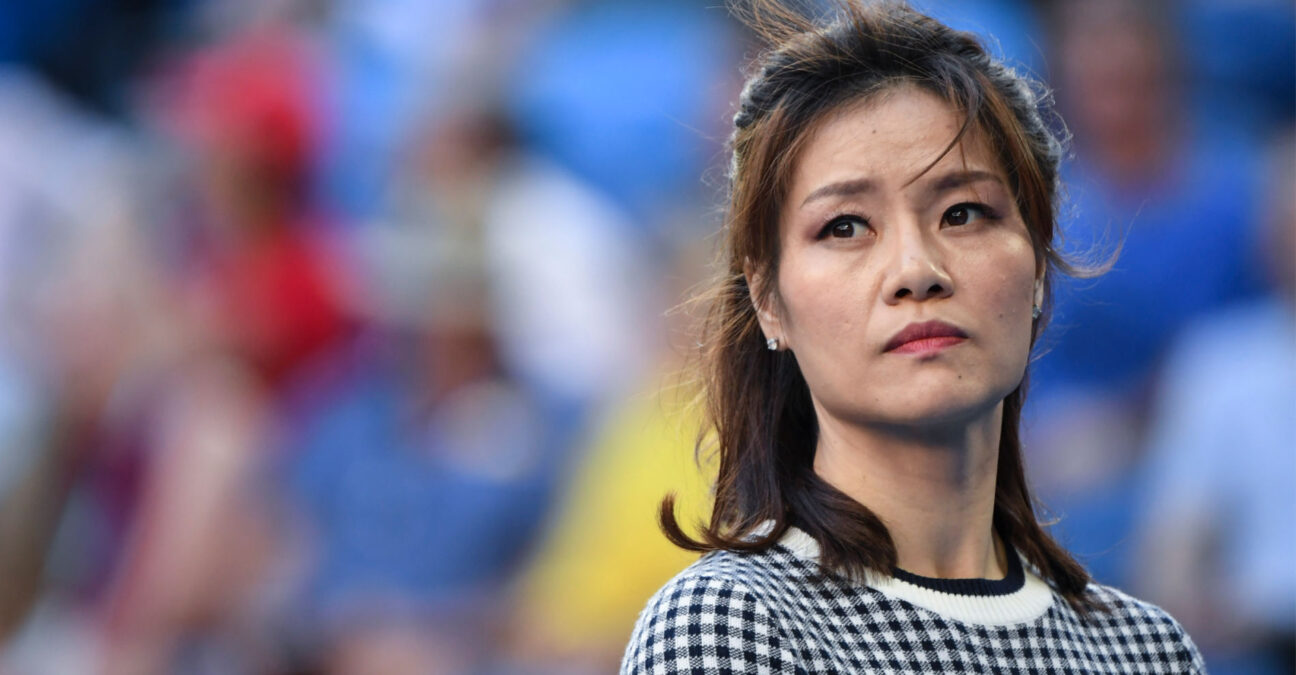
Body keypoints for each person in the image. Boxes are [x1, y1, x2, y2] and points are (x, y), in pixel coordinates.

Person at [621, 2, 1205, 673]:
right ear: (768, 300)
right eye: (844, 226)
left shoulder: (1149, 651)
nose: (916, 271)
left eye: (963, 213)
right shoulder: (730, 624)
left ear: (1038, 264)